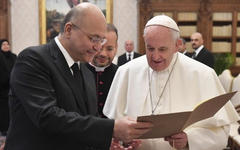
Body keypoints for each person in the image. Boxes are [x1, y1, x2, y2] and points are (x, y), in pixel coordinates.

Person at [4, 3, 152, 150]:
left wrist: (108, 141)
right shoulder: (33, 59)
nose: (98, 47)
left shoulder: (85, 70)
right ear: (69, 30)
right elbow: (47, 117)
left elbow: (85, 122)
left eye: (101, 41)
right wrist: (111, 129)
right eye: (94, 39)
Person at [103, 15, 239, 150]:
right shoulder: (126, 71)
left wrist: (189, 140)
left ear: (177, 45)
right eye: (150, 49)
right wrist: (121, 139)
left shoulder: (203, 74)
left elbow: (221, 131)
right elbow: (111, 125)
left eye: (162, 49)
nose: (155, 57)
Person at [85, 24, 118, 118]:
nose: (103, 54)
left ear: (116, 48)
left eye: (109, 49)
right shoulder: (77, 72)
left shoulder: (122, 74)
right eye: (99, 48)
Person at [0, 39, 16, 136]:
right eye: (3, 44)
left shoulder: (14, 56)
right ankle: (4, 129)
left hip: (13, 87)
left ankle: (12, 127)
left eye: (7, 44)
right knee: (3, 110)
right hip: (2, 88)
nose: (6, 46)